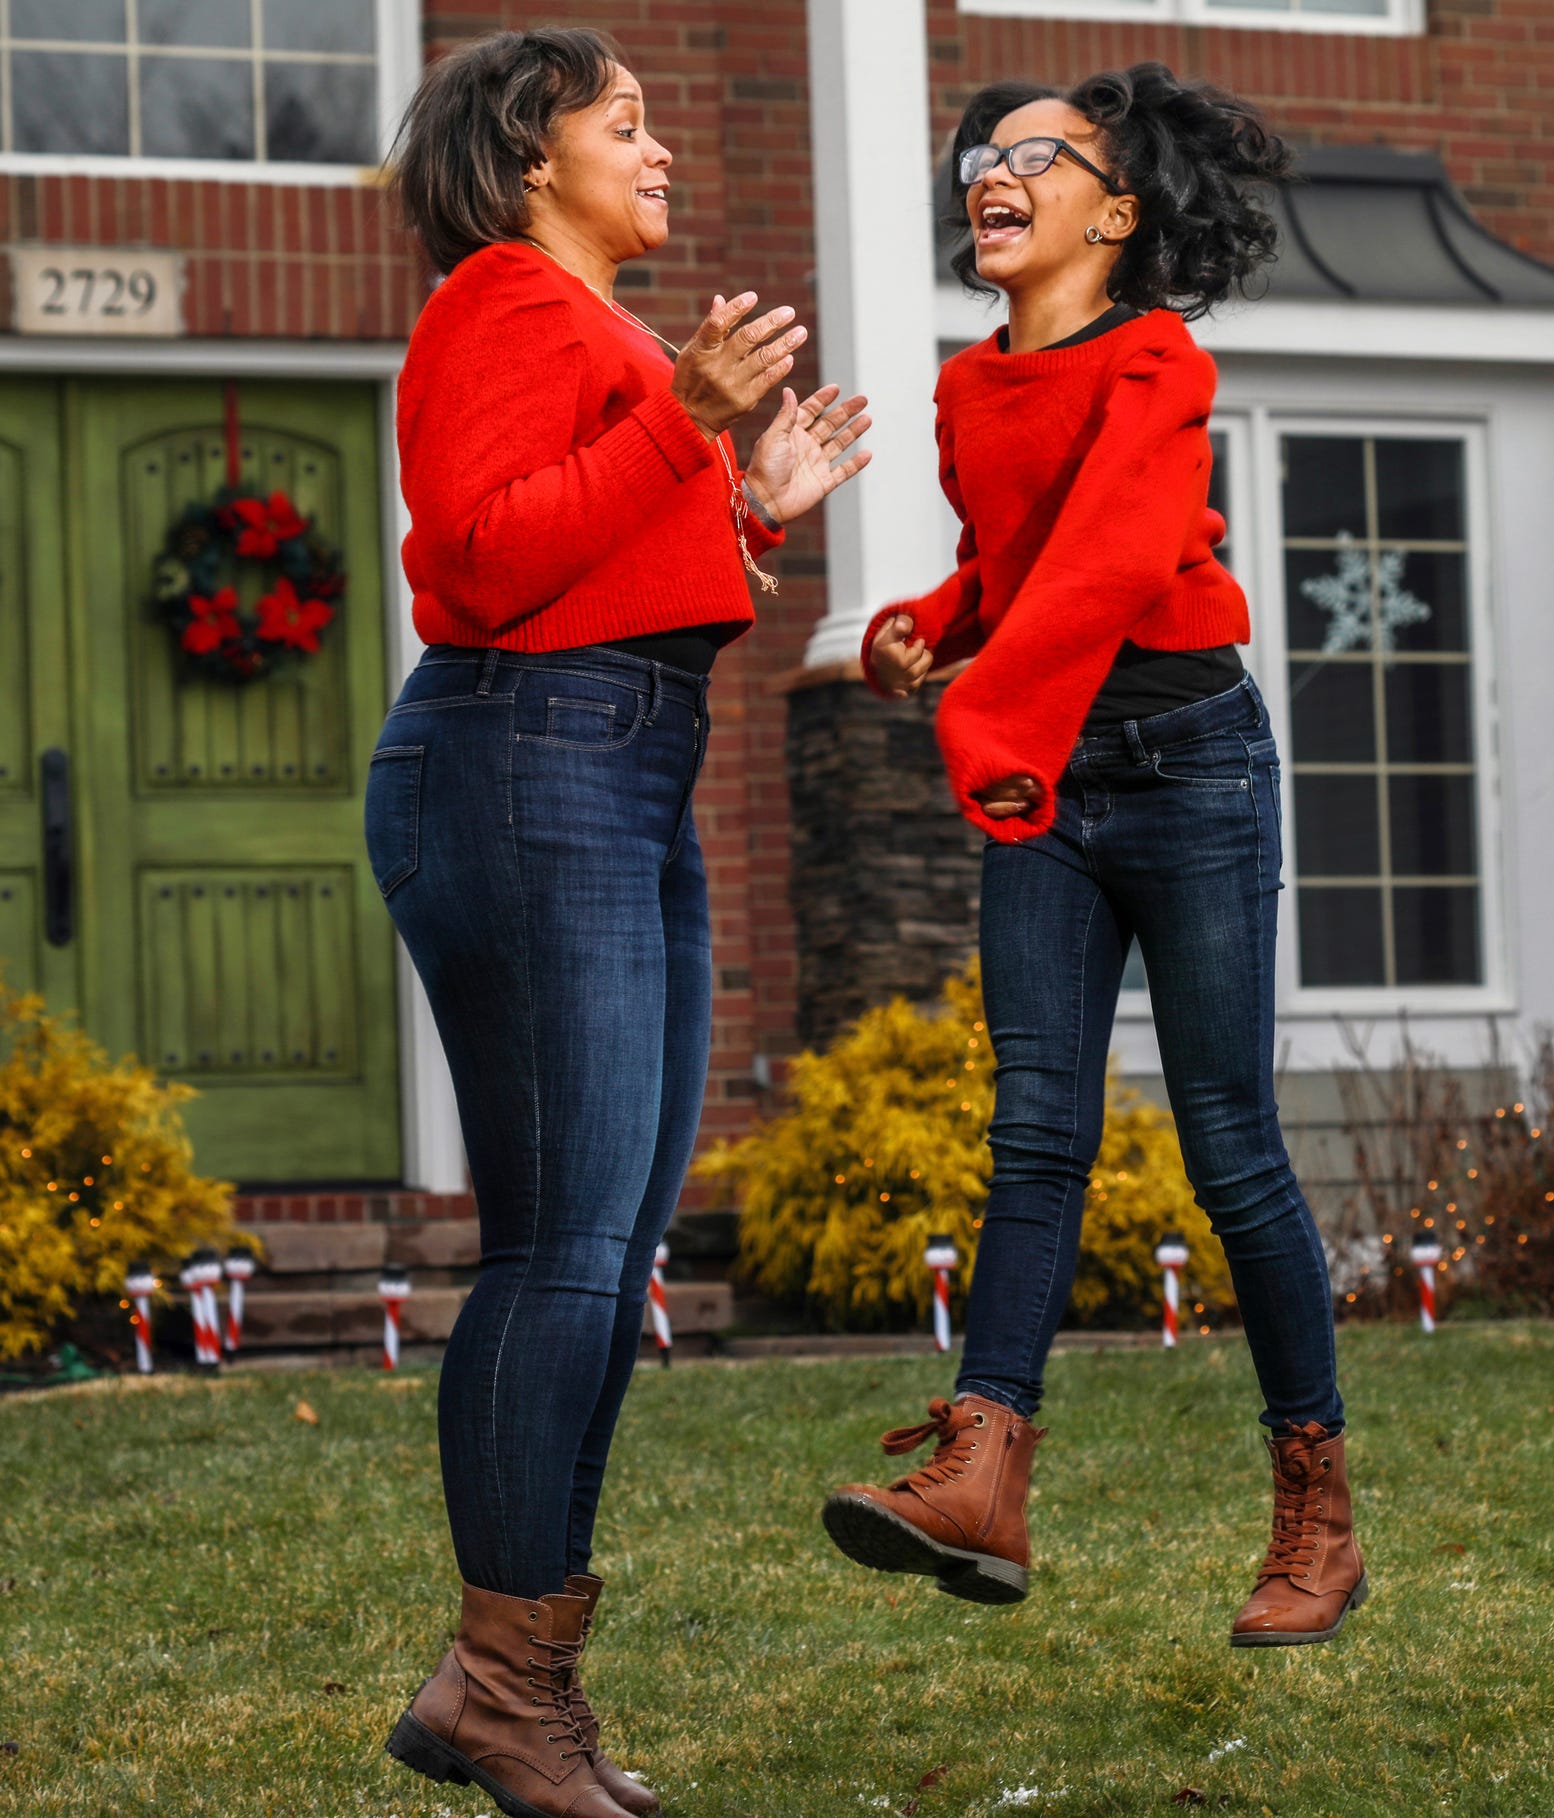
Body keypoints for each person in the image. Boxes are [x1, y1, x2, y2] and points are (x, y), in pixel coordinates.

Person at [371, 29, 869, 1817]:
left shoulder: (613, 341)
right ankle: (501, 1684)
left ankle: (517, 1680)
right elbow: (486, 561)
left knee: (614, 1246)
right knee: (559, 1249)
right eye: (625, 123)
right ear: (526, 166)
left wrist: (752, 514)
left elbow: (617, 565)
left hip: (622, 761)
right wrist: (689, 422)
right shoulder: (500, 303)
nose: (659, 152)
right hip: (525, 761)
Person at [821, 62, 1366, 1650]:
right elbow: (1020, 568)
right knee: (1038, 1129)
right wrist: (929, 628)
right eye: (983, 158)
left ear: (1112, 217)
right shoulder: (968, 385)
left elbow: (1122, 557)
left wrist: (988, 714)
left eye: (1035, 159)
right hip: (1053, 772)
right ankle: (986, 1474)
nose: (992, 173)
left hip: (1189, 763)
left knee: (1227, 1142)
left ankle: (1315, 1513)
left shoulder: (1159, 365)